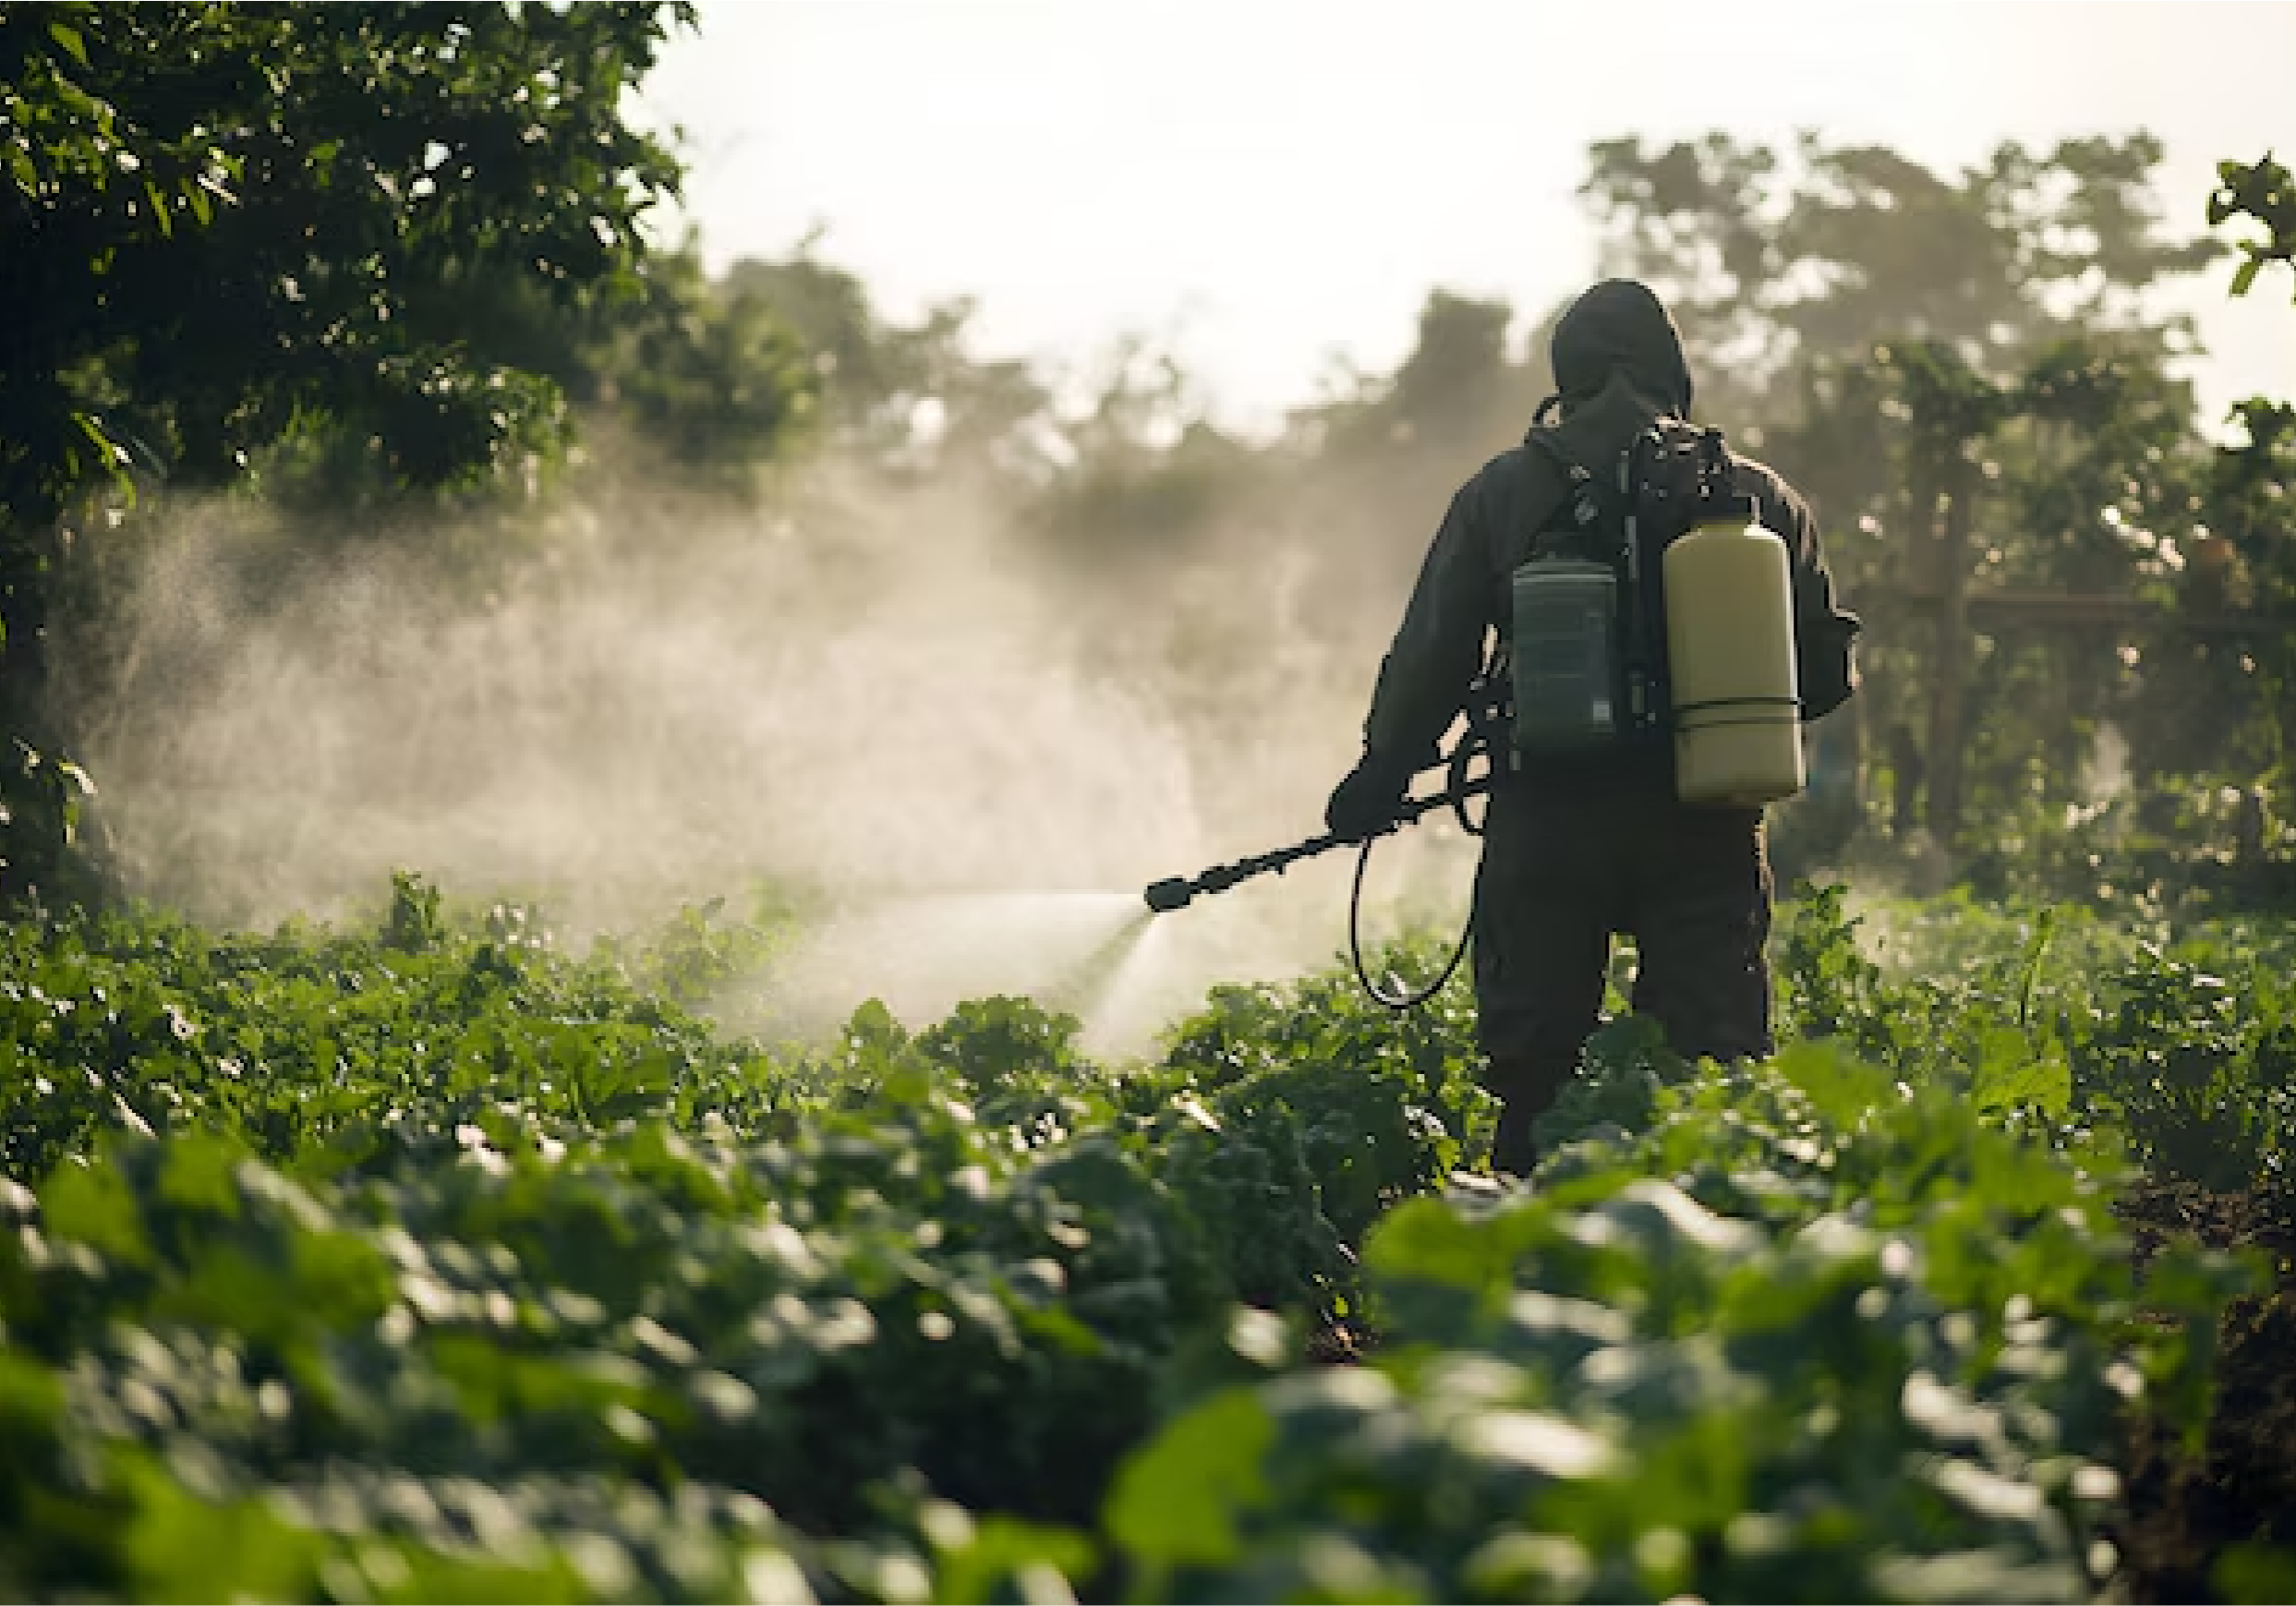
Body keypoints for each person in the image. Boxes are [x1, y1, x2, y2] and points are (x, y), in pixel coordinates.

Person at [1324, 279, 1862, 1177]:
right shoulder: (1757, 496)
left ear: (1562, 374)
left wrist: (1377, 778)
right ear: (1671, 370)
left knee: (1531, 1075)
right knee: (1712, 1068)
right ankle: (1709, 1265)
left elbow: (1432, 657)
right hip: (1705, 821)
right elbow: (1822, 673)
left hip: (1547, 820)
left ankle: (1520, 1260)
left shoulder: (1501, 491)